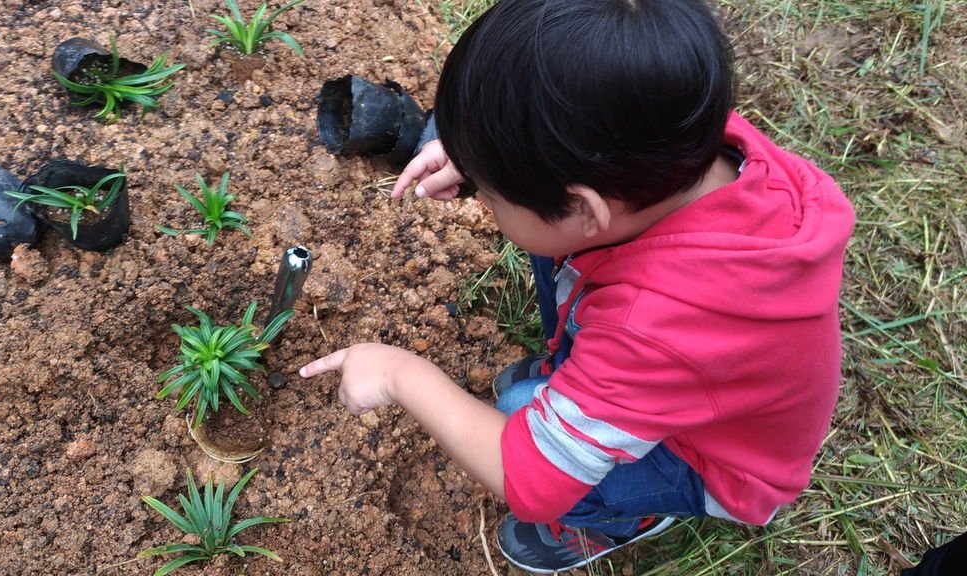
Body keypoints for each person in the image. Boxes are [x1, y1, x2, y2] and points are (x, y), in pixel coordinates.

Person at [299, 0, 855, 572]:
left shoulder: (655, 330)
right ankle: (580, 384)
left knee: (519, 411)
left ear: (585, 208)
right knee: (544, 284)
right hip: (665, 352)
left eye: (489, 196)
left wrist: (398, 372)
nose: (481, 201)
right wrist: (483, 157)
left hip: (707, 459)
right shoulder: (680, 139)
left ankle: (626, 515)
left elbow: (528, 481)